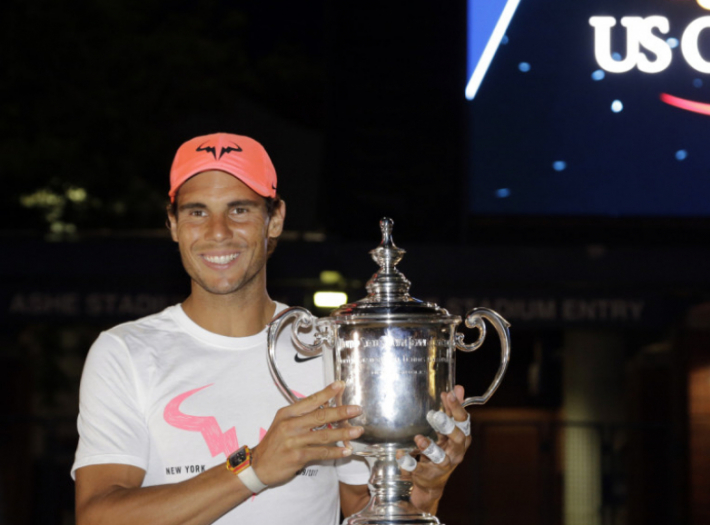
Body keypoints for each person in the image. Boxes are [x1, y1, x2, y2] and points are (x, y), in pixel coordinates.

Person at [72, 132, 472, 525]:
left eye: (239, 209)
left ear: (275, 219)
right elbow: (98, 515)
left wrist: (424, 491)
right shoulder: (125, 351)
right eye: (197, 211)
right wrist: (255, 467)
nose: (217, 232)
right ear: (173, 224)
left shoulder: (331, 346)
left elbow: (362, 510)